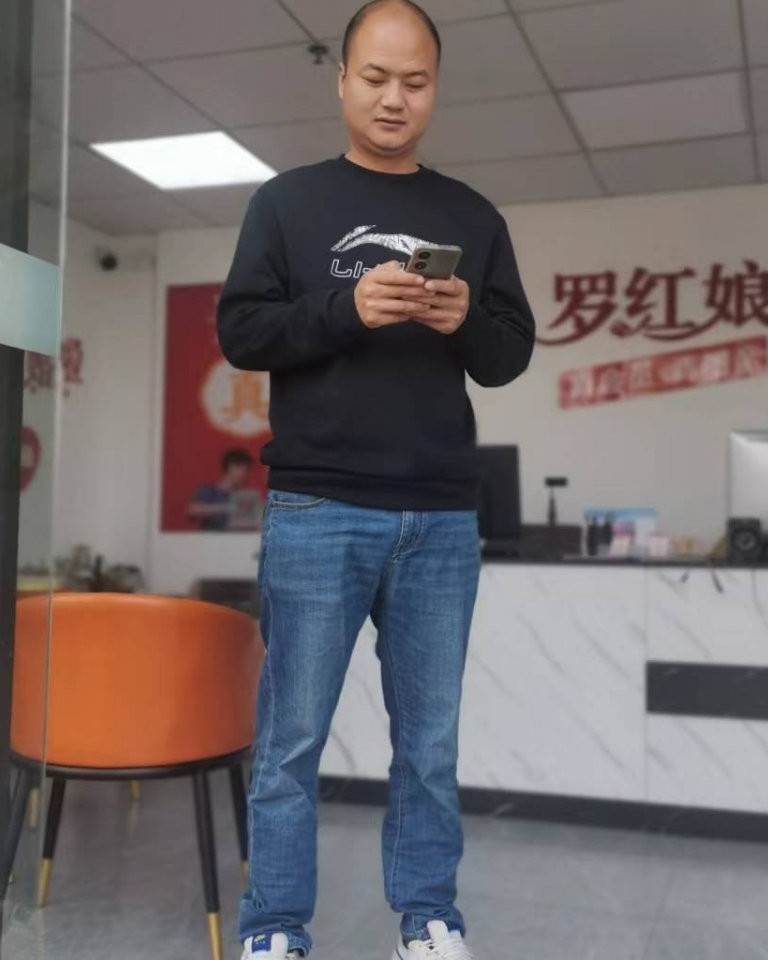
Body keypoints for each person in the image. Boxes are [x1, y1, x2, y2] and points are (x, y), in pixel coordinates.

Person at [217, 2, 535, 957]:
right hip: (316, 505)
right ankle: (275, 929)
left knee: (429, 746)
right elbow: (242, 331)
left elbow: (509, 354)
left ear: (436, 89)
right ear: (342, 81)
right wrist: (347, 307)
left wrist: (462, 319)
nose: (395, 99)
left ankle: (428, 919)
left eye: (416, 81)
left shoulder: (472, 216)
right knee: (290, 742)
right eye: (376, 78)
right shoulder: (286, 203)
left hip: (439, 517)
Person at [186, 447, 255, 530]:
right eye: (238, 468)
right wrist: (227, 508)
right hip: (211, 537)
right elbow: (193, 510)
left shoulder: (244, 497)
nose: (242, 474)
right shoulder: (209, 492)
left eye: (246, 470)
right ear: (228, 467)